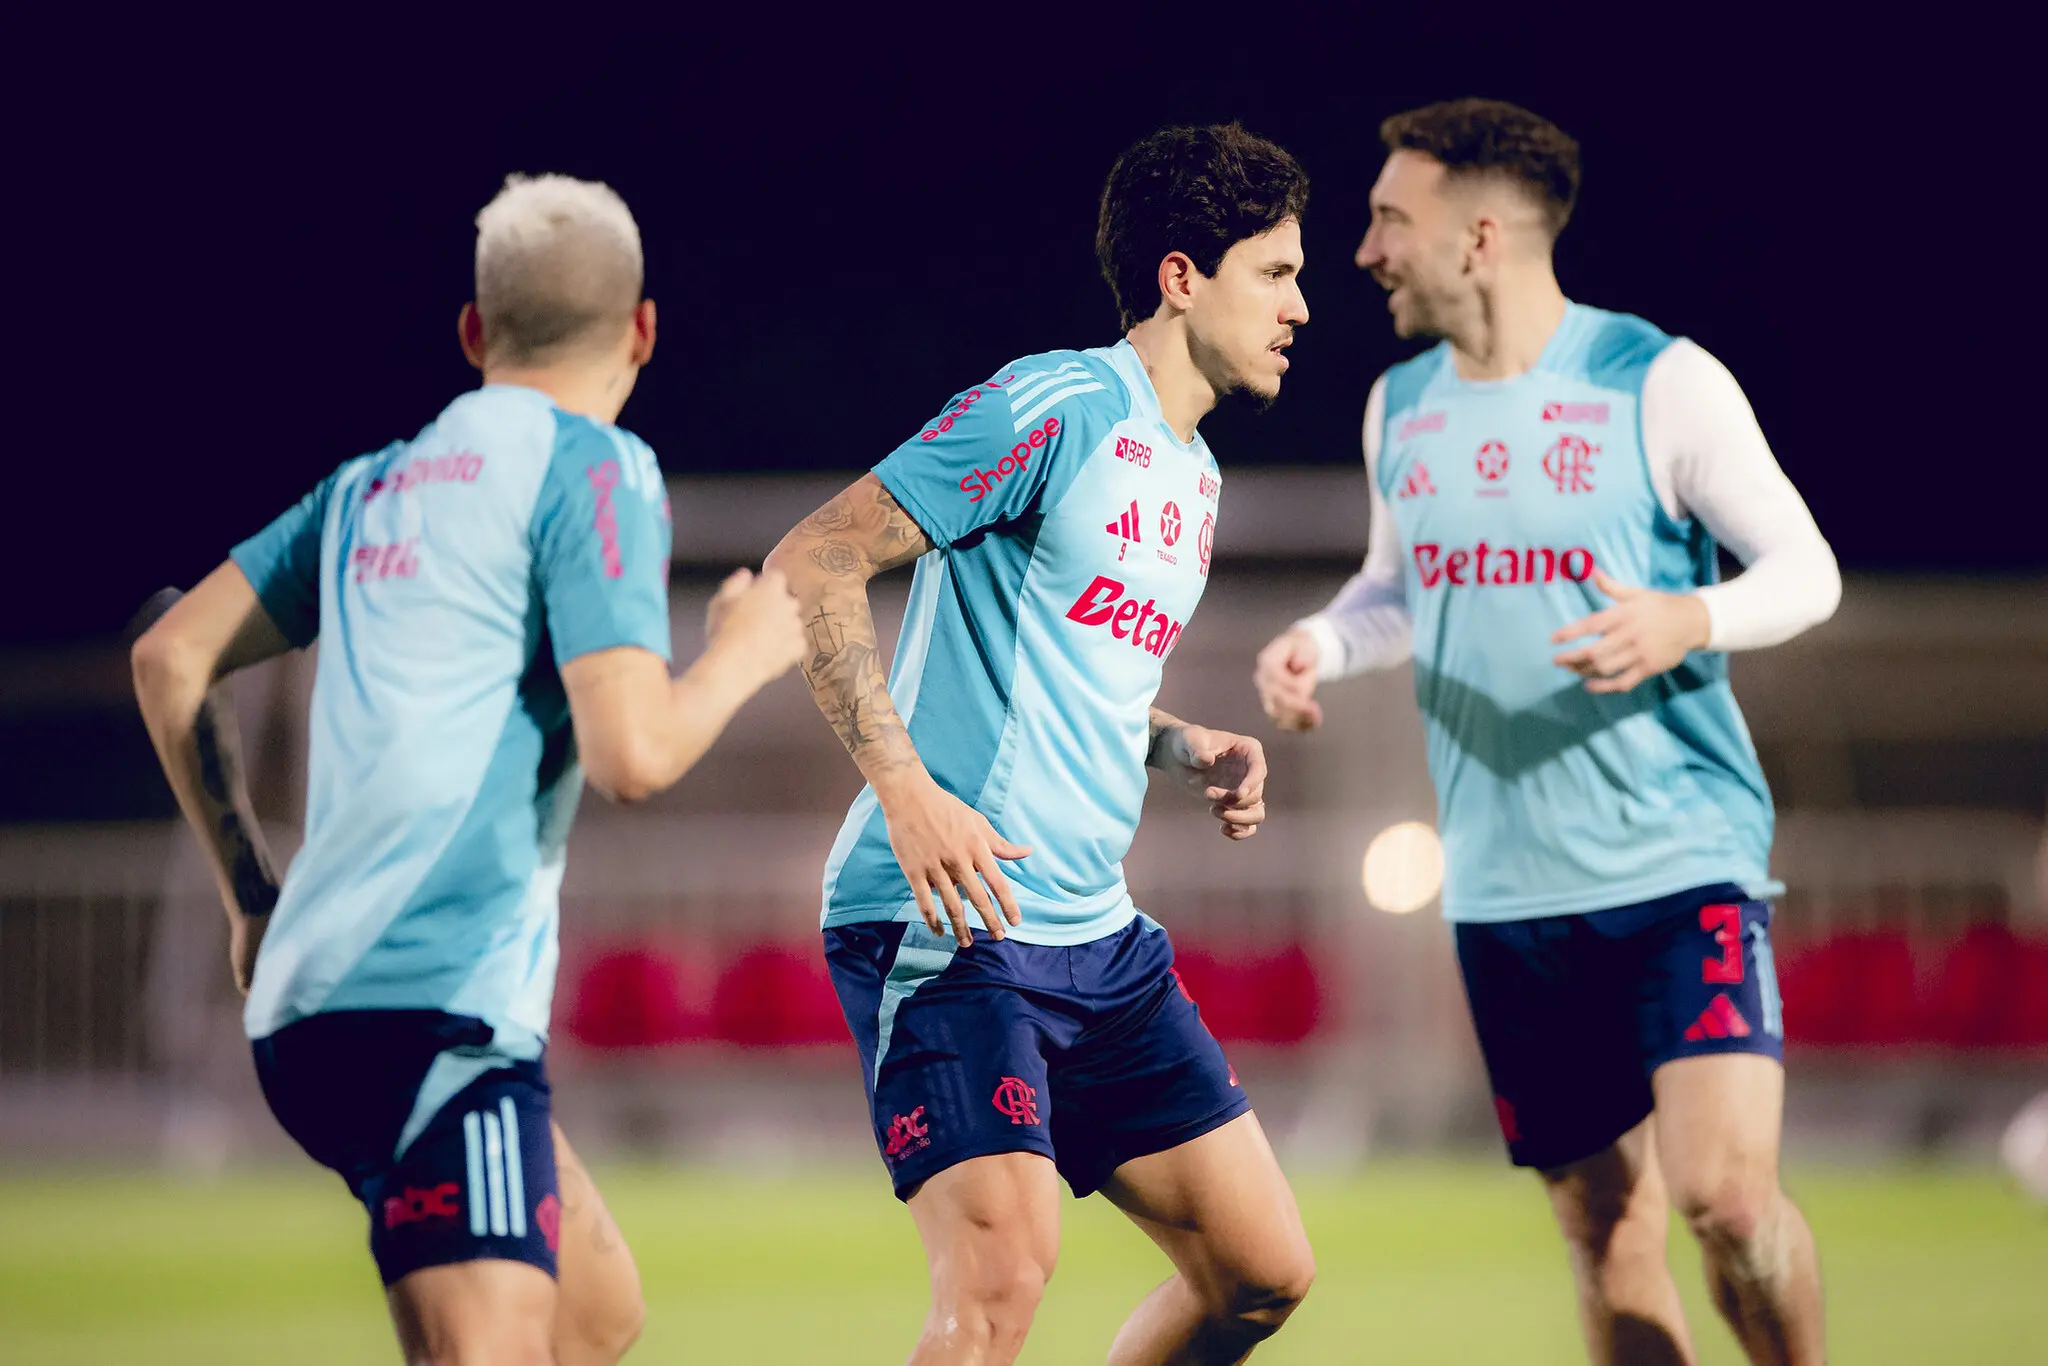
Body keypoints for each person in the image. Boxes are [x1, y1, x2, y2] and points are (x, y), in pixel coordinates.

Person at [130, 173, 806, 1366]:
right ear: (642, 328)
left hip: (311, 1007)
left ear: (473, 334)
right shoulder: (595, 468)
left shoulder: (367, 486)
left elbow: (170, 655)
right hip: (430, 1009)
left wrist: (251, 895)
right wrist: (745, 652)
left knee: (596, 1317)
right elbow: (634, 755)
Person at [1253, 99, 1839, 1365]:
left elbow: (1806, 571)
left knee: (1724, 1199)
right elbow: (1396, 590)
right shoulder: (1397, 407)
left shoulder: (1656, 381)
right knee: (1602, 1233)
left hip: (1678, 862)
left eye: (1385, 221)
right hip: (1507, 891)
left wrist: (1688, 617)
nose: (1360, 253)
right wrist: (1321, 640)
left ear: (1476, 238)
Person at [764, 123, 1318, 1365]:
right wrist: (902, 791)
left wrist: (1181, 748)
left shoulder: (1195, 475)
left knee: (1260, 1274)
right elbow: (813, 561)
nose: (1300, 303)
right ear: (1182, 277)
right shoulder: (1053, 405)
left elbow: (1078, 683)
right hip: (951, 919)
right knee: (1001, 1276)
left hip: (1093, 937)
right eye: (1274, 273)